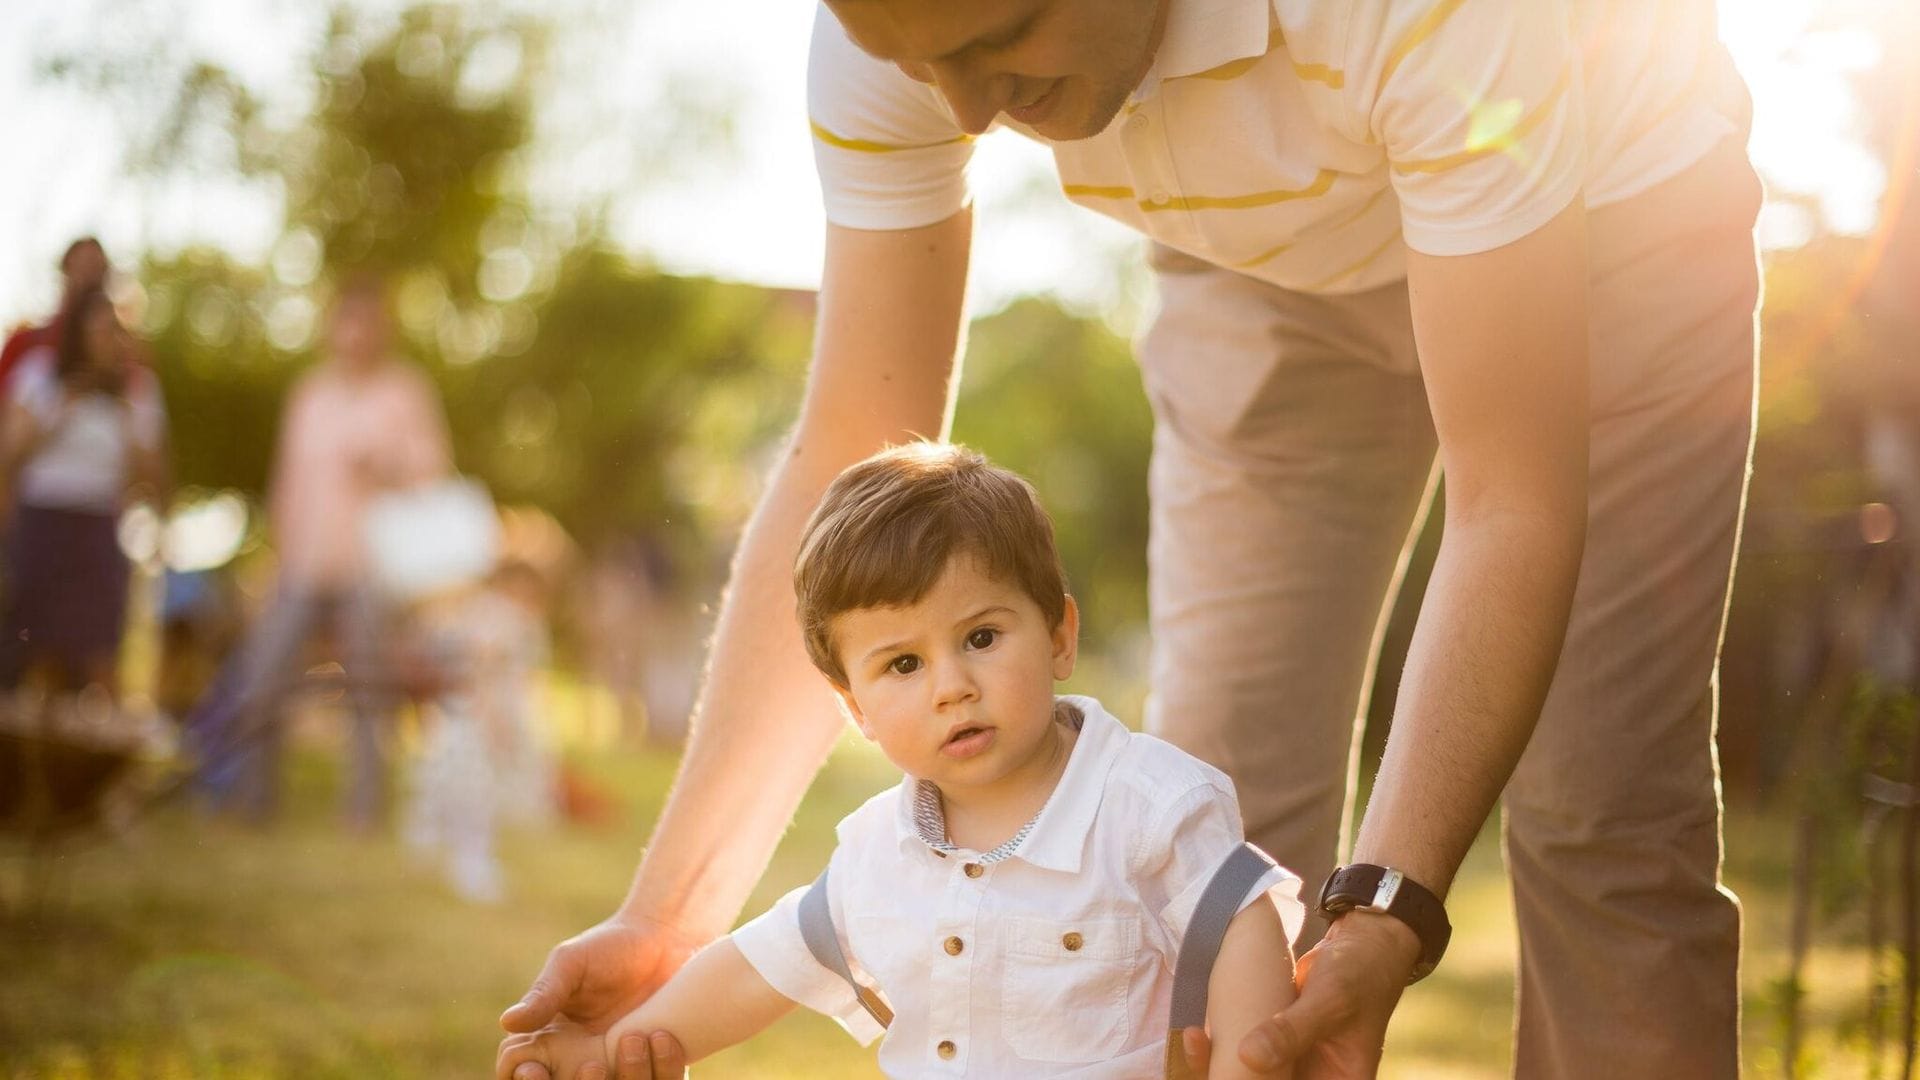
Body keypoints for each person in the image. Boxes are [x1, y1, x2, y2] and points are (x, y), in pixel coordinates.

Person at [505, 1, 1763, 1076]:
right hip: (1269, 271)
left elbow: (1512, 505)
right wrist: (665, 922)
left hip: (1610, 216)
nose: (965, 101)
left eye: (1003, 34)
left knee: (1602, 819)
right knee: (1198, 819)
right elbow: (852, 460)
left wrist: (1386, 913)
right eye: (919, 56)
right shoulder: (898, 38)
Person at [499, 443, 1304, 1079]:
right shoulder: (881, 853)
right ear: (854, 707)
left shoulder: (1147, 804)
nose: (952, 687)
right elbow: (757, 969)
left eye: (982, 638)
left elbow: (1246, 926)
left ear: (1060, 633)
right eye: (903, 666)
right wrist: (611, 1045)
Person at [222, 273, 451, 828]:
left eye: (367, 323)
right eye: (347, 321)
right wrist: (277, 549)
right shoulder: (310, 394)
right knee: (263, 676)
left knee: (370, 692)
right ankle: (253, 802)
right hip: (304, 562)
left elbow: (433, 472)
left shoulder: (405, 391)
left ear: (381, 330)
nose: (356, 334)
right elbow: (288, 479)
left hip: (371, 566)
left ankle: (364, 812)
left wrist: (385, 468)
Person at [0, 284, 168, 697]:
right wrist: (60, 407)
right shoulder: (40, 375)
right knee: (39, 651)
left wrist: (128, 416)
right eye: (101, 328)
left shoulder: (135, 389)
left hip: (99, 523)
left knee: (98, 649)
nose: (110, 339)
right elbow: (10, 453)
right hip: (42, 522)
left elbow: (149, 475)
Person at [0, 237, 110, 403]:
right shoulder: (25, 345)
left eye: (95, 269)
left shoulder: (128, 360)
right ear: (65, 274)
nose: (87, 279)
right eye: (81, 268)